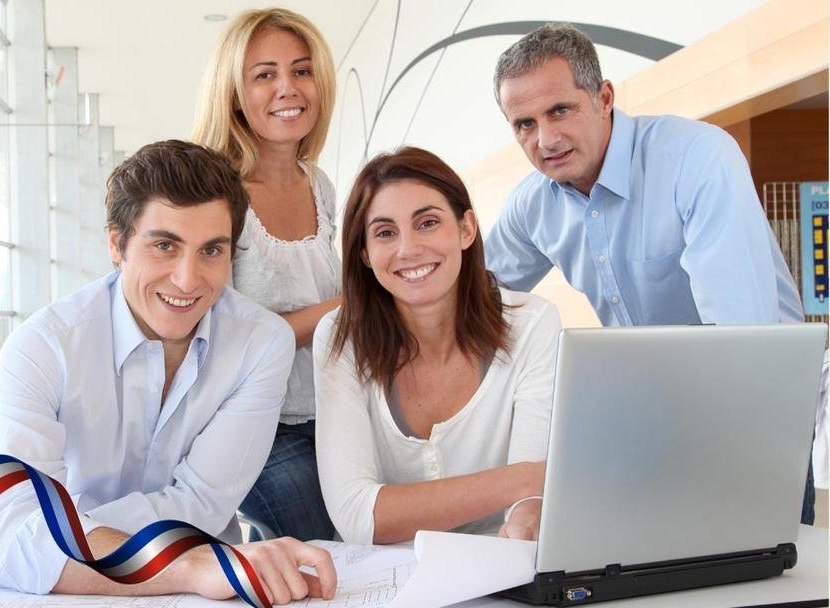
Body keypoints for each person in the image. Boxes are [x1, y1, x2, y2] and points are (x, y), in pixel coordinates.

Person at [0, 140, 336, 604]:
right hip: (73, 596)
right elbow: (15, 529)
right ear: (116, 243)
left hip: (196, 596)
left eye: (211, 250)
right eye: (164, 246)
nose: (187, 279)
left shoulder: (261, 344)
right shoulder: (42, 348)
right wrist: (189, 566)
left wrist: (44, 545)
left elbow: (201, 506)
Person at [484, 23, 818, 524]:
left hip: (757, 411)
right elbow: (471, 300)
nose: (545, 139)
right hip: (655, 424)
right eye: (524, 124)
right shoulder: (533, 204)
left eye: (560, 110)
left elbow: (742, 335)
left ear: (604, 98)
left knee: (768, 565)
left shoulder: (695, 159)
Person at [313, 147, 561, 545]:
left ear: (467, 229)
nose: (408, 249)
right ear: (364, 254)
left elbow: (530, 500)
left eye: (427, 223)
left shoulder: (532, 323)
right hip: (383, 574)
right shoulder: (341, 338)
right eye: (385, 233)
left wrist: (524, 513)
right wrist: (522, 479)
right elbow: (358, 517)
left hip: (500, 558)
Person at [192, 8, 339, 542]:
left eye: (301, 70)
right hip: (254, 424)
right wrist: (345, 307)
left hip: (330, 410)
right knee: (323, 546)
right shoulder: (216, 195)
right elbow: (224, 340)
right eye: (264, 74)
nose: (288, 88)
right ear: (234, 94)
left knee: (335, 552)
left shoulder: (319, 185)